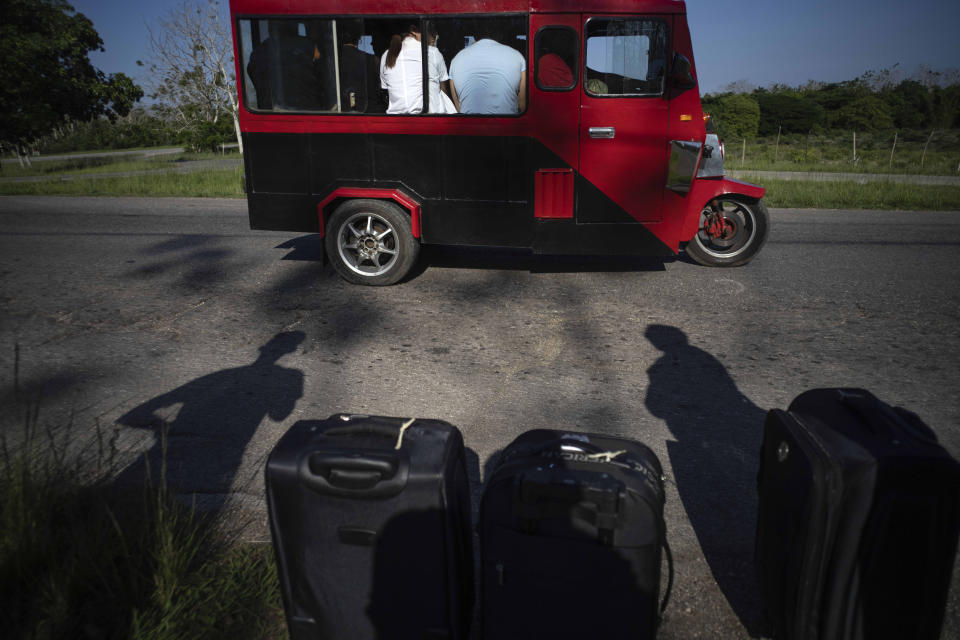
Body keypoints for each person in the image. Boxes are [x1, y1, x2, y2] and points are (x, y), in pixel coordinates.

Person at [380, 23, 458, 115]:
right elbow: (443, 90)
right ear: (413, 30)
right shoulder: (432, 52)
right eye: (429, 30)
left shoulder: (386, 55)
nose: (433, 36)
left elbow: (386, 89)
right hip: (432, 119)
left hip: (397, 120)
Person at [247, 21, 326, 111]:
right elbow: (324, 71)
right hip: (309, 110)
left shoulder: (256, 54)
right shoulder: (308, 45)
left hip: (269, 113)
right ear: (294, 27)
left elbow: (253, 76)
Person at [449, 30, 526, 114]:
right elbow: (522, 106)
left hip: (470, 124)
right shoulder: (517, 56)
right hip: (507, 125)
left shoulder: (457, 59)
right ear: (500, 35)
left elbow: (458, 108)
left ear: (475, 36)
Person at [337, 21, 386, 113]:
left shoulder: (333, 59)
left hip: (343, 109)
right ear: (359, 38)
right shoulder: (372, 59)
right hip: (370, 110)